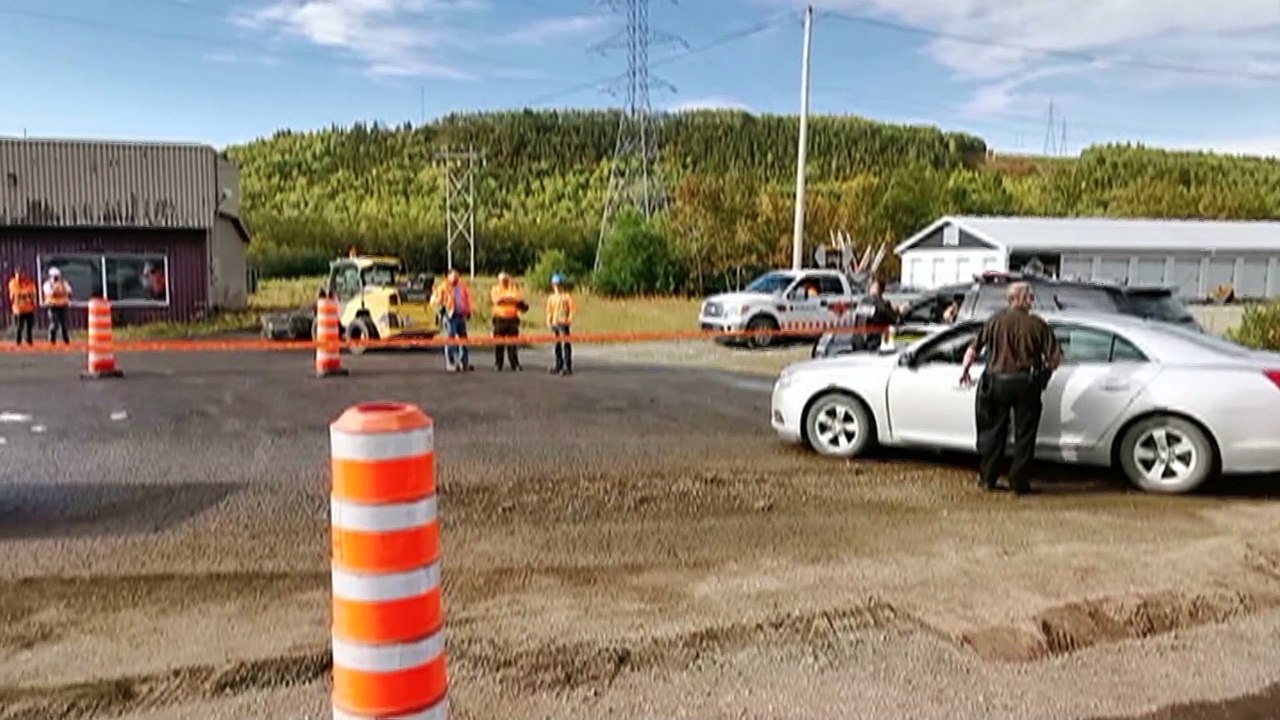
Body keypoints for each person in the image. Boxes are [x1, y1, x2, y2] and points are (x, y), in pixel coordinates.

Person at [959, 281, 1062, 496]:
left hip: (997, 381)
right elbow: (1055, 358)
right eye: (1029, 296)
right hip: (1026, 383)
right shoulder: (1037, 324)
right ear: (1019, 299)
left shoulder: (994, 321)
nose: (1032, 300)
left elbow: (972, 349)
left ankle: (988, 478)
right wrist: (1043, 376)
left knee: (994, 431)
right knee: (1025, 435)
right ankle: (1018, 482)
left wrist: (965, 371)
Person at [432, 269, 474, 372]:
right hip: (450, 316)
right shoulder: (443, 287)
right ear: (448, 276)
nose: (455, 278)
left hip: (461, 315)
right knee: (450, 340)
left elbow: (467, 299)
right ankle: (450, 363)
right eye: (453, 276)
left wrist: (468, 311)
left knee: (463, 339)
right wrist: (441, 306)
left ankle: (464, 363)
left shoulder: (462, 286)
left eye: (457, 276)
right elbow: (435, 301)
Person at [489, 272, 527, 371]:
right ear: (499, 280)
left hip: (512, 319)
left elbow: (518, 300)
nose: (504, 281)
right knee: (499, 343)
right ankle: (498, 364)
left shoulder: (513, 289)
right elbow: (497, 300)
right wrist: (511, 300)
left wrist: (507, 300)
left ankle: (514, 363)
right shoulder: (495, 289)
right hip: (499, 319)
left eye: (506, 279)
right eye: (502, 280)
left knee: (513, 343)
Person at [546, 273, 575, 376]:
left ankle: (567, 367)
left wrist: (569, 319)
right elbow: (549, 311)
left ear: (562, 285)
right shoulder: (551, 297)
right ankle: (559, 365)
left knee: (565, 345)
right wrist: (548, 321)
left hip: (563, 322)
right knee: (557, 345)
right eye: (554, 284)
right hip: (555, 322)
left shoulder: (566, 297)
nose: (556, 286)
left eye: (558, 284)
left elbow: (572, 309)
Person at [42, 267, 72, 344]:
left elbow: (69, 292)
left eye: (57, 276)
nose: (57, 278)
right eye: (55, 276)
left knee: (64, 324)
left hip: (63, 306)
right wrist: (57, 289)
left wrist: (67, 298)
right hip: (53, 306)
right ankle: (52, 340)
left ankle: (66, 340)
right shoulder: (47, 284)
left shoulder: (64, 283)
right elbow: (50, 293)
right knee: (54, 324)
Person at [7, 268, 37, 346]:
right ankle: (18, 342)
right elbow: (16, 293)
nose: (20, 275)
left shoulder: (29, 282)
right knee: (19, 326)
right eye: (18, 274)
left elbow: (32, 292)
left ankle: (29, 341)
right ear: (15, 274)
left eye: (22, 273)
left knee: (29, 326)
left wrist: (31, 298)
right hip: (18, 309)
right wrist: (26, 294)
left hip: (29, 308)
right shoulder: (13, 283)